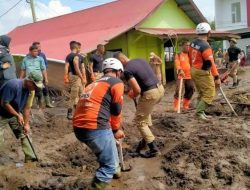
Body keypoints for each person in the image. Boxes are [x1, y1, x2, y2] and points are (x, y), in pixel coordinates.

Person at [73, 58, 125, 190]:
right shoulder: (117, 82)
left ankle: (116, 171)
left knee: (109, 147)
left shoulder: (93, 83)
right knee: (108, 166)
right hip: (95, 127)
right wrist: (116, 129)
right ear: (118, 72)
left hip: (79, 127)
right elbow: (116, 111)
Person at [114, 52, 165, 158]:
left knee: (140, 121)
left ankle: (153, 149)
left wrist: (133, 93)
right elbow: (143, 77)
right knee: (145, 115)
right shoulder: (140, 59)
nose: (120, 69)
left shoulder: (127, 70)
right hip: (160, 89)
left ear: (121, 61)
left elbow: (137, 90)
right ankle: (145, 141)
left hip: (150, 93)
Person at [0, 71, 43, 162]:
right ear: (29, 81)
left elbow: (27, 108)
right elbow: (5, 103)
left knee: (25, 133)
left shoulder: (31, 91)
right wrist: (17, 115)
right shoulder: (13, 85)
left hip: (14, 113)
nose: (35, 88)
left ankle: (30, 159)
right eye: (34, 85)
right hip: (2, 113)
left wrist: (26, 124)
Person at [189, 22, 221, 121]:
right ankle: (199, 112)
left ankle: (200, 112)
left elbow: (189, 57)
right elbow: (211, 63)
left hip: (193, 69)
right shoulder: (205, 46)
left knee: (201, 92)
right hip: (202, 72)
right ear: (209, 33)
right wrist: (216, 77)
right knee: (210, 92)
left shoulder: (193, 43)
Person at [20, 45, 48, 126]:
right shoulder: (26, 59)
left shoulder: (40, 59)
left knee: (39, 93)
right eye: (34, 51)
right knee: (29, 94)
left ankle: (40, 107)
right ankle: (29, 108)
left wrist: (46, 79)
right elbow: (23, 69)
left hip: (38, 79)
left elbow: (43, 69)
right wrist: (20, 79)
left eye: (37, 51)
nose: (36, 53)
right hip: (29, 79)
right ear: (30, 51)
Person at [66, 41, 86, 120]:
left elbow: (66, 67)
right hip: (76, 77)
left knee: (82, 94)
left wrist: (66, 76)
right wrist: (82, 77)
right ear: (77, 48)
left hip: (73, 76)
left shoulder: (68, 56)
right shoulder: (77, 56)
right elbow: (77, 67)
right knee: (74, 96)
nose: (80, 49)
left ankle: (81, 111)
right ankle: (69, 112)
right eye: (79, 48)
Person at [173, 39, 195, 111]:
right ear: (182, 46)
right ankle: (176, 106)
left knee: (191, 89)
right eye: (187, 45)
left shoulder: (191, 55)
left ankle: (185, 104)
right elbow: (177, 63)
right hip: (181, 76)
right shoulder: (179, 55)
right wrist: (180, 70)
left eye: (189, 45)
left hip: (190, 76)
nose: (188, 47)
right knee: (179, 90)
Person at [32, 42, 54, 108]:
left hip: (43, 74)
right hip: (35, 76)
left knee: (45, 88)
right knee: (37, 90)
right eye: (37, 47)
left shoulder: (42, 55)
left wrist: (44, 73)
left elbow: (46, 64)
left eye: (39, 46)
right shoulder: (30, 55)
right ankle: (37, 104)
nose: (39, 48)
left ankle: (48, 103)